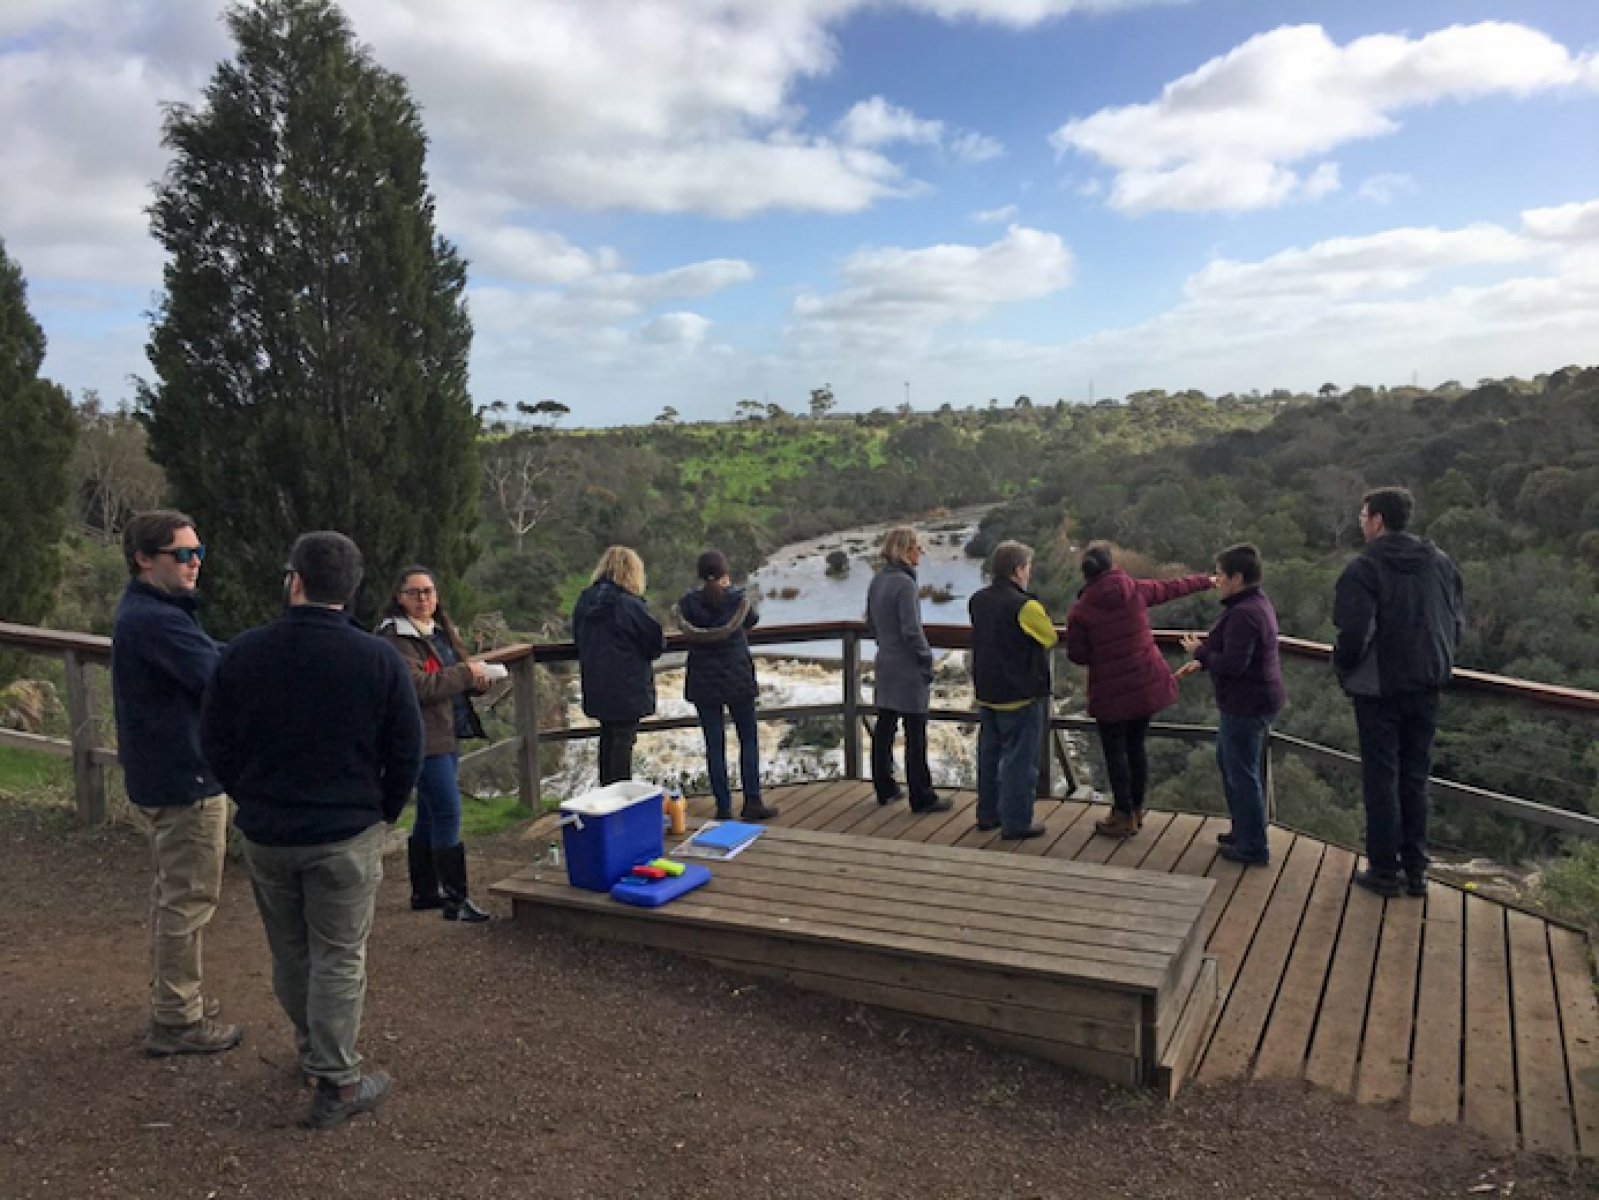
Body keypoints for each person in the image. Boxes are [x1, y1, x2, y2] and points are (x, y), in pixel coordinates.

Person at [201, 531, 424, 1130]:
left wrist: (248, 794)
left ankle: (314, 1055)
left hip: (269, 831)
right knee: (339, 955)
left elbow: (214, 741)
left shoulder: (243, 654)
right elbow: (407, 747)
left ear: (294, 580)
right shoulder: (376, 658)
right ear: (351, 590)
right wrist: (385, 809)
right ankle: (338, 1079)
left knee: (292, 950)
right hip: (345, 830)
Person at [112, 509, 243, 1057]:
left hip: (166, 773)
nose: (195, 565)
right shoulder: (155, 621)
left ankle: (178, 1002)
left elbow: (209, 658)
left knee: (176, 892)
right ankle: (176, 1019)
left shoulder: (156, 613)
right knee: (188, 898)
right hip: (183, 779)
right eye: (182, 555)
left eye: (199, 553)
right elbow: (217, 674)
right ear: (145, 559)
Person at [1333, 487, 1464, 899]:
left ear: (1376, 521)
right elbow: (1455, 619)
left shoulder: (1363, 569)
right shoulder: (1440, 563)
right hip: (1427, 684)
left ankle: (1384, 870)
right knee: (1415, 777)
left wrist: (1344, 666)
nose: (1361, 523)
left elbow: (1354, 633)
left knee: (1381, 779)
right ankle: (1416, 872)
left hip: (1379, 690)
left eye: (1362, 517)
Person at [1067, 542, 1213, 839]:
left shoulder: (1080, 612)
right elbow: (1172, 587)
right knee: (1135, 745)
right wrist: (1207, 580)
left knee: (1115, 751)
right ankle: (1135, 809)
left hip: (1110, 690)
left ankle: (1122, 815)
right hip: (1146, 683)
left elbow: (1078, 655)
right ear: (1111, 566)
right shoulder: (1134, 590)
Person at [376, 566, 494, 922]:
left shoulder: (438, 632)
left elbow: (452, 675)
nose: (423, 598)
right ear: (399, 598)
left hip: (447, 732)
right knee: (447, 812)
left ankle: (425, 892)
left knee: (428, 814)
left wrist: (476, 682)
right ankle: (456, 901)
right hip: (422, 739)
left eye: (428, 591)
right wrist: (465, 674)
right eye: (414, 592)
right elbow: (420, 687)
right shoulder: (393, 639)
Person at [1176, 544, 1285, 867]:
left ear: (1237, 577)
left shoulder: (1244, 613)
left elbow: (1235, 664)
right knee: (1231, 764)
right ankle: (1244, 831)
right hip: (1252, 700)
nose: (1216, 580)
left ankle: (1252, 846)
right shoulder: (1254, 604)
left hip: (1247, 703)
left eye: (1220, 574)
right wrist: (1206, 660)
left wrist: (1200, 653)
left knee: (1241, 772)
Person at [674, 550, 778, 822]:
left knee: (715, 744)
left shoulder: (687, 604)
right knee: (748, 739)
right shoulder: (736, 600)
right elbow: (753, 621)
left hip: (703, 680)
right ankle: (752, 801)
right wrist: (729, 588)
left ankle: (722, 806)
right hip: (737, 678)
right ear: (724, 573)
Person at [968, 540, 1057, 840]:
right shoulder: (1026, 606)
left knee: (989, 756)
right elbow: (1049, 637)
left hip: (987, 691)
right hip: (1019, 694)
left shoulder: (977, 600)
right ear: (1018, 571)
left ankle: (987, 814)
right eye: (1027, 567)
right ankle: (1017, 822)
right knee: (1020, 762)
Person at [865, 527, 950, 814]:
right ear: (905, 550)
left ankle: (885, 787)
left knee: (885, 727)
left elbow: (870, 623)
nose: (920, 553)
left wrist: (885, 645)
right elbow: (912, 630)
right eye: (917, 548)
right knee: (915, 731)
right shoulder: (905, 585)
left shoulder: (878, 581)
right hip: (907, 665)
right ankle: (922, 795)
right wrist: (926, 658)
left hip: (885, 660)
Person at [573, 546, 666, 785]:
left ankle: (606, 796)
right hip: (627, 686)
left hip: (596, 683)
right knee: (624, 743)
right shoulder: (630, 605)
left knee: (607, 739)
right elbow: (655, 642)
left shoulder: (585, 601)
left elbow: (577, 638)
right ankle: (622, 800)